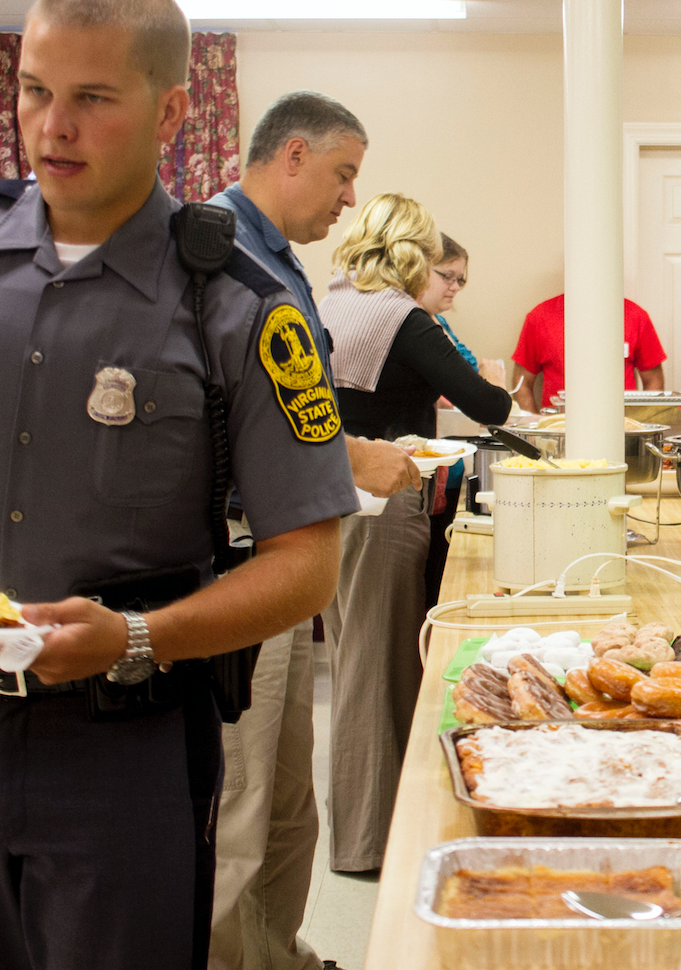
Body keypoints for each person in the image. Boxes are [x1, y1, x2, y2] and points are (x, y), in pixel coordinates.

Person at [0, 0, 358, 968]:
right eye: (34, 90)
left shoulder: (236, 304)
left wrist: (137, 635)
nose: (53, 126)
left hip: (123, 750)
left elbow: (306, 561)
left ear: (172, 109)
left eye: (93, 98)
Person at [203, 90, 423, 970]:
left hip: (290, 557)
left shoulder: (280, 263)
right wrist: (348, 460)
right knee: (243, 801)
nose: (347, 200)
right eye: (342, 175)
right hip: (234, 564)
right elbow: (218, 430)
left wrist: (341, 450)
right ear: (291, 155)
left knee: (288, 799)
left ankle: (278, 956)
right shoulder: (214, 257)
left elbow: (292, 409)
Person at [318, 194, 512, 872]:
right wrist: (493, 378)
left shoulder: (330, 302)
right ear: (409, 253)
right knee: (385, 670)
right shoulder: (404, 317)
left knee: (353, 661)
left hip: (327, 498)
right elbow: (489, 403)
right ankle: (373, 844)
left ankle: (360, 830)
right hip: (387, 494)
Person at [418, 232, 501, 608]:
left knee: (436, 576)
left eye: (460, 280)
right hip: (424, 473)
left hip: (447, 473)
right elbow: (477, 388)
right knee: (424, 585)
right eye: (446, 276)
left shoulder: (441, 325)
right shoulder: (417, 326)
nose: (454, 287)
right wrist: (489, 384)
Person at [510, 295, 667, 411]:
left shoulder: (635, 316)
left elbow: (653, 380)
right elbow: (522, 383)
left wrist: (642, 424)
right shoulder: (541, 317)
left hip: (621, 428)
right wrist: (534, 432)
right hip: (559, 430)